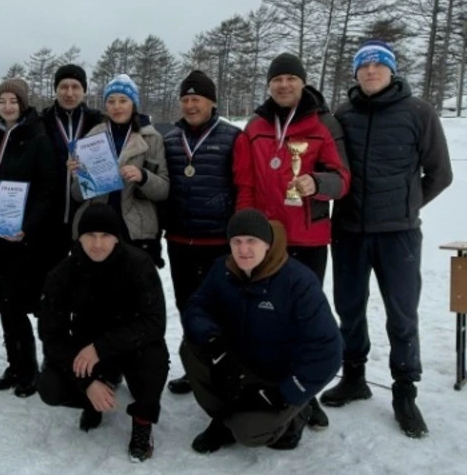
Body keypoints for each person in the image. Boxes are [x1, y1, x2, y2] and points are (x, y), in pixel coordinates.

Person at [322, 40, 453, 438]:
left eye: (379, 65)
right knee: (349, 308)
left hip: (399, 234)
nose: (371, 71)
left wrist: (406, 206)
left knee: (402, 314)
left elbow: (440, 173)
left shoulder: (419, 113)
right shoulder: (342, 115)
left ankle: (404, 391)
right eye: (363, 66)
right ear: (356, 74)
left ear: (392, 71)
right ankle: (355, 377)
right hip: (348, 231)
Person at [237, 53, 350, 428]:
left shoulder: (323, 124)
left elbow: (342, 178)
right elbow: (246, 184)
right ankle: (267, 383)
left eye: (290, 78)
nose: (283, 85)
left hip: (309, 239)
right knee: (266, 320)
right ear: (268, 85)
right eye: (277, 79)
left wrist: (317, 183)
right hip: (266, 242)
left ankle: (305, 395)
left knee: (304, 320)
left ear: (302, 82)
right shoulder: (254, 127)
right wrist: (246, 231)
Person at [181, 209, 341, 453]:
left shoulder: (298, 282)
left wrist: (286, 393)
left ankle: (297, 414)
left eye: (251, 241)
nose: (243, 249)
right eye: (237, 241)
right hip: (239, 363)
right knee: (192, 346)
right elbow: (195, 308)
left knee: (249, 432)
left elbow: (328, 349)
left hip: (281, 377)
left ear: (267, 244)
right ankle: (224, 419)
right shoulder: (222, 270)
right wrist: (215, 342)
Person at [38, 204, 169, 463]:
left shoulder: (139, 264)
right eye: (90, 236)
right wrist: (86, 383)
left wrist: (102, 347)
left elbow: (154, 323)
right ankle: (92, 400)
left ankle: (142, 422)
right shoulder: (61, 274)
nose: (97, 244)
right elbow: (51, 336)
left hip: (128, 346)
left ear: (117, 237)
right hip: (86, 352)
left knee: (154, 361)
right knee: (50, 387)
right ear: (79, 237)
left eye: (105, 236)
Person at [162, 70, 246, 395]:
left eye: (196, 98)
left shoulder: (232, 137)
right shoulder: (169, 139)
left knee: (221, 308)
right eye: (185, 99)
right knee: (188, 306)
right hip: (180, 240)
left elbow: (242, 186)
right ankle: (194, 368)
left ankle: (225, 368)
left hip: (218, 241)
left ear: (211, 101)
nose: (190, 105)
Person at [0, 78, 57, 398]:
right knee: (4, 306)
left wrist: (28, 226)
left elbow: (47, 190)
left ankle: (30, 369)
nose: (7, 106)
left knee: (20, 304)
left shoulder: (37, 137)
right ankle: (14, 364)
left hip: (22, 238)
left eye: (13, 101)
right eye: (2, 101)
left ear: (23, 104)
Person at [69, 74, 169, 267]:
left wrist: (143, 177)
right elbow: (77, 196)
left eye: (123, 100)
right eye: (111, 101)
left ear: (134, 104)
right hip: (97, 226)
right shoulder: (92, 137)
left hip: (135, 230)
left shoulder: (152, 138)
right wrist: (80, 176)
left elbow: (163, 190)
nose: (117, 106)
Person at [40, 64, 103, 268]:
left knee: (86, 280)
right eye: (63, 87)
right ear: (55, 90)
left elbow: (128, 124)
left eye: (75, 87)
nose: (69, 93)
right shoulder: (42, 123)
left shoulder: (98, 122)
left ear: (84, 90)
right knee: (50, 279)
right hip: (50, 219)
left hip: (87, 217)